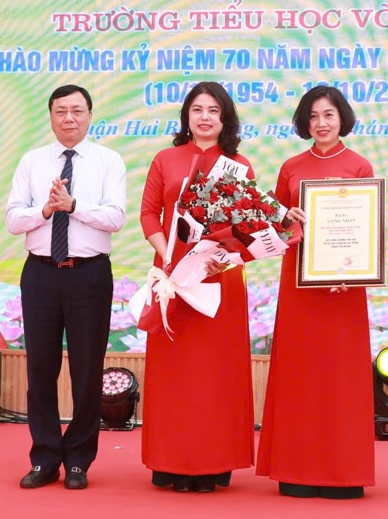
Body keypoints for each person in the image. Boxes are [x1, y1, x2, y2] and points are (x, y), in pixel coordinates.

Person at [5, 84, 126, 491]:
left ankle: (78, 460)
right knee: (41, 370)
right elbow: (12, 219)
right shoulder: (32, 161)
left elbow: (116, 218)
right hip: (40, 273)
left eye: (77, 110)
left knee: (86, 371)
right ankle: (44, 458)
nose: (69, 118)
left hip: (89, 275)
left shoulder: (109, 161)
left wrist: (73, 206)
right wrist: (45, 209)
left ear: (90, 115)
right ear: (51, 116)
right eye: (61, 111)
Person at [256, 85, 375, 498]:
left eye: (328, 115)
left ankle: (344, 472)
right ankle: (296, 468)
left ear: (342, 117)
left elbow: (366, 231)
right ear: (304, 123)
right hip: (300, 286)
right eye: (313, 117)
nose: (321, 123)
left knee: (341, 379)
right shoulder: (291, 166)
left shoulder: (360, 165)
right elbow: (275, 225)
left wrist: (355, 270)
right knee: (299, 375)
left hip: (344, 289)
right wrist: (287, 218)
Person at [139, 81, 254, 493]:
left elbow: (246, 227)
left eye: (213, 110)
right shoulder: (166, 159)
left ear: (225, 118)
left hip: (218, 278)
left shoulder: (239, 165)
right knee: (175, 375)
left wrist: (215, 257)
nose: (204, 117)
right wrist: (168, 256)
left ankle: (213, 462)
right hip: (174, 278)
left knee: (215, 375)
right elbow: (150, 214)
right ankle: (169, 461)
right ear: (187, 116)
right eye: (197, 109)